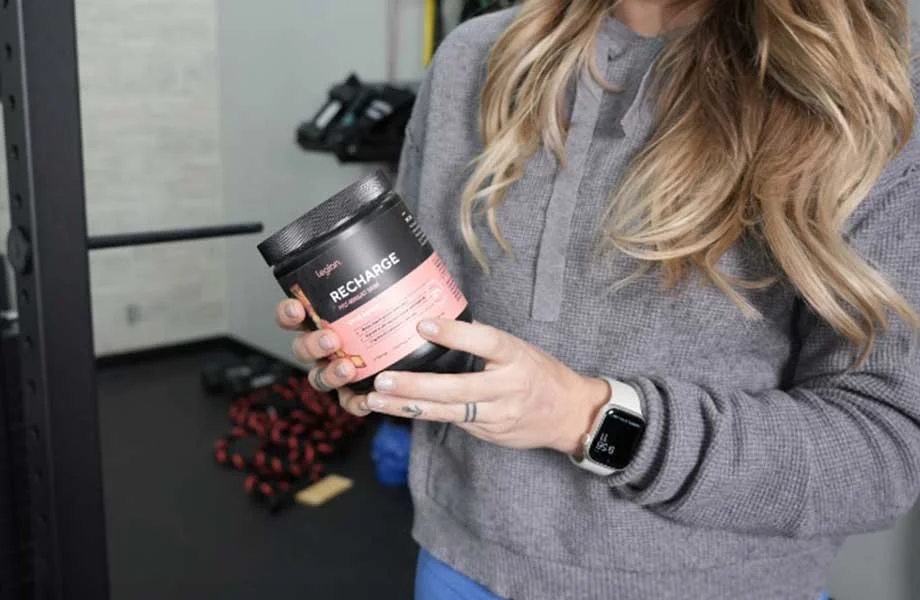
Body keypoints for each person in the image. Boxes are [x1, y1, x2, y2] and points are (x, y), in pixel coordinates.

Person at [277, 1, 920, 598]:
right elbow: (436, 327)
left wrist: (586, 417)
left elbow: (878, 452)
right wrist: (370, 358)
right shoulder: (474, 59)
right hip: (462, 563)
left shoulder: (868, 87)